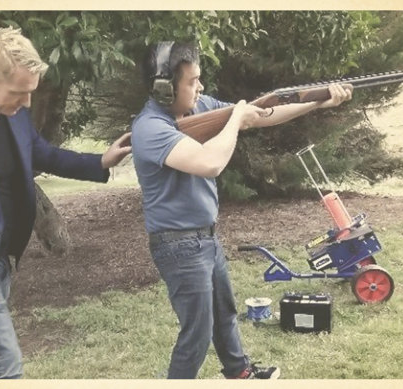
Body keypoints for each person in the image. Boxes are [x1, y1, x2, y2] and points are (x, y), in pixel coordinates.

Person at [131, 41, 351, 379]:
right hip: (178, 245)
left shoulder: (200, 108)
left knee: (225, 312)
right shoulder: (150, 129)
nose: (200, 87)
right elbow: (210, 162)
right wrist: (235, 119)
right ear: (163, 88)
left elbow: (264, 113)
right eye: (192, 81)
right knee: (197, 336)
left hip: (206, 236)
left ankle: (238, 372)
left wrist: (319, 101)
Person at [0, 27, 132, 379]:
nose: (28, 103)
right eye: (20, 93)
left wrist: (99, 162)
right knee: (6, 367)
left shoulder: (14, 115)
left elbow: (43, 153)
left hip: (3, 258)